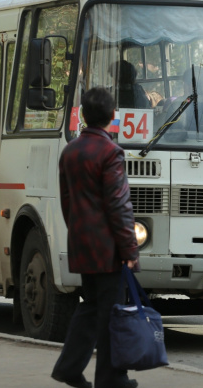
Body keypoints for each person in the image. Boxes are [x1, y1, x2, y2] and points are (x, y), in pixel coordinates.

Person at [51, 87, 140, 388]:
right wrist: (129, 248)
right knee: (111, 313)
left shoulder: (70, 151)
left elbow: (66, 201)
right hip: (108, 248)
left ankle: (69, 367)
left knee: (90, 306)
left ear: (84, 115)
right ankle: (111, 378)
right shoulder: (110, 152)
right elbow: (118, 205)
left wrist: (77, 230)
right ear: (113, 116)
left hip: (82, 243)